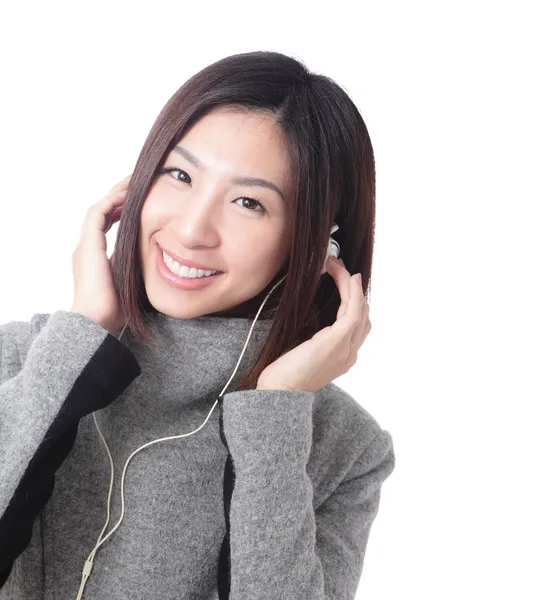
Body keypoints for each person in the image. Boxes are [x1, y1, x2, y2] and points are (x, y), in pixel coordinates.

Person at [0, 50, 395, 599]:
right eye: (180, 174)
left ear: (316, 244)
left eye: (248, 202)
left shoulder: (343, 449)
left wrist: (275, 419)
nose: (190, 230)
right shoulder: (25, 362)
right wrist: (80, 338)